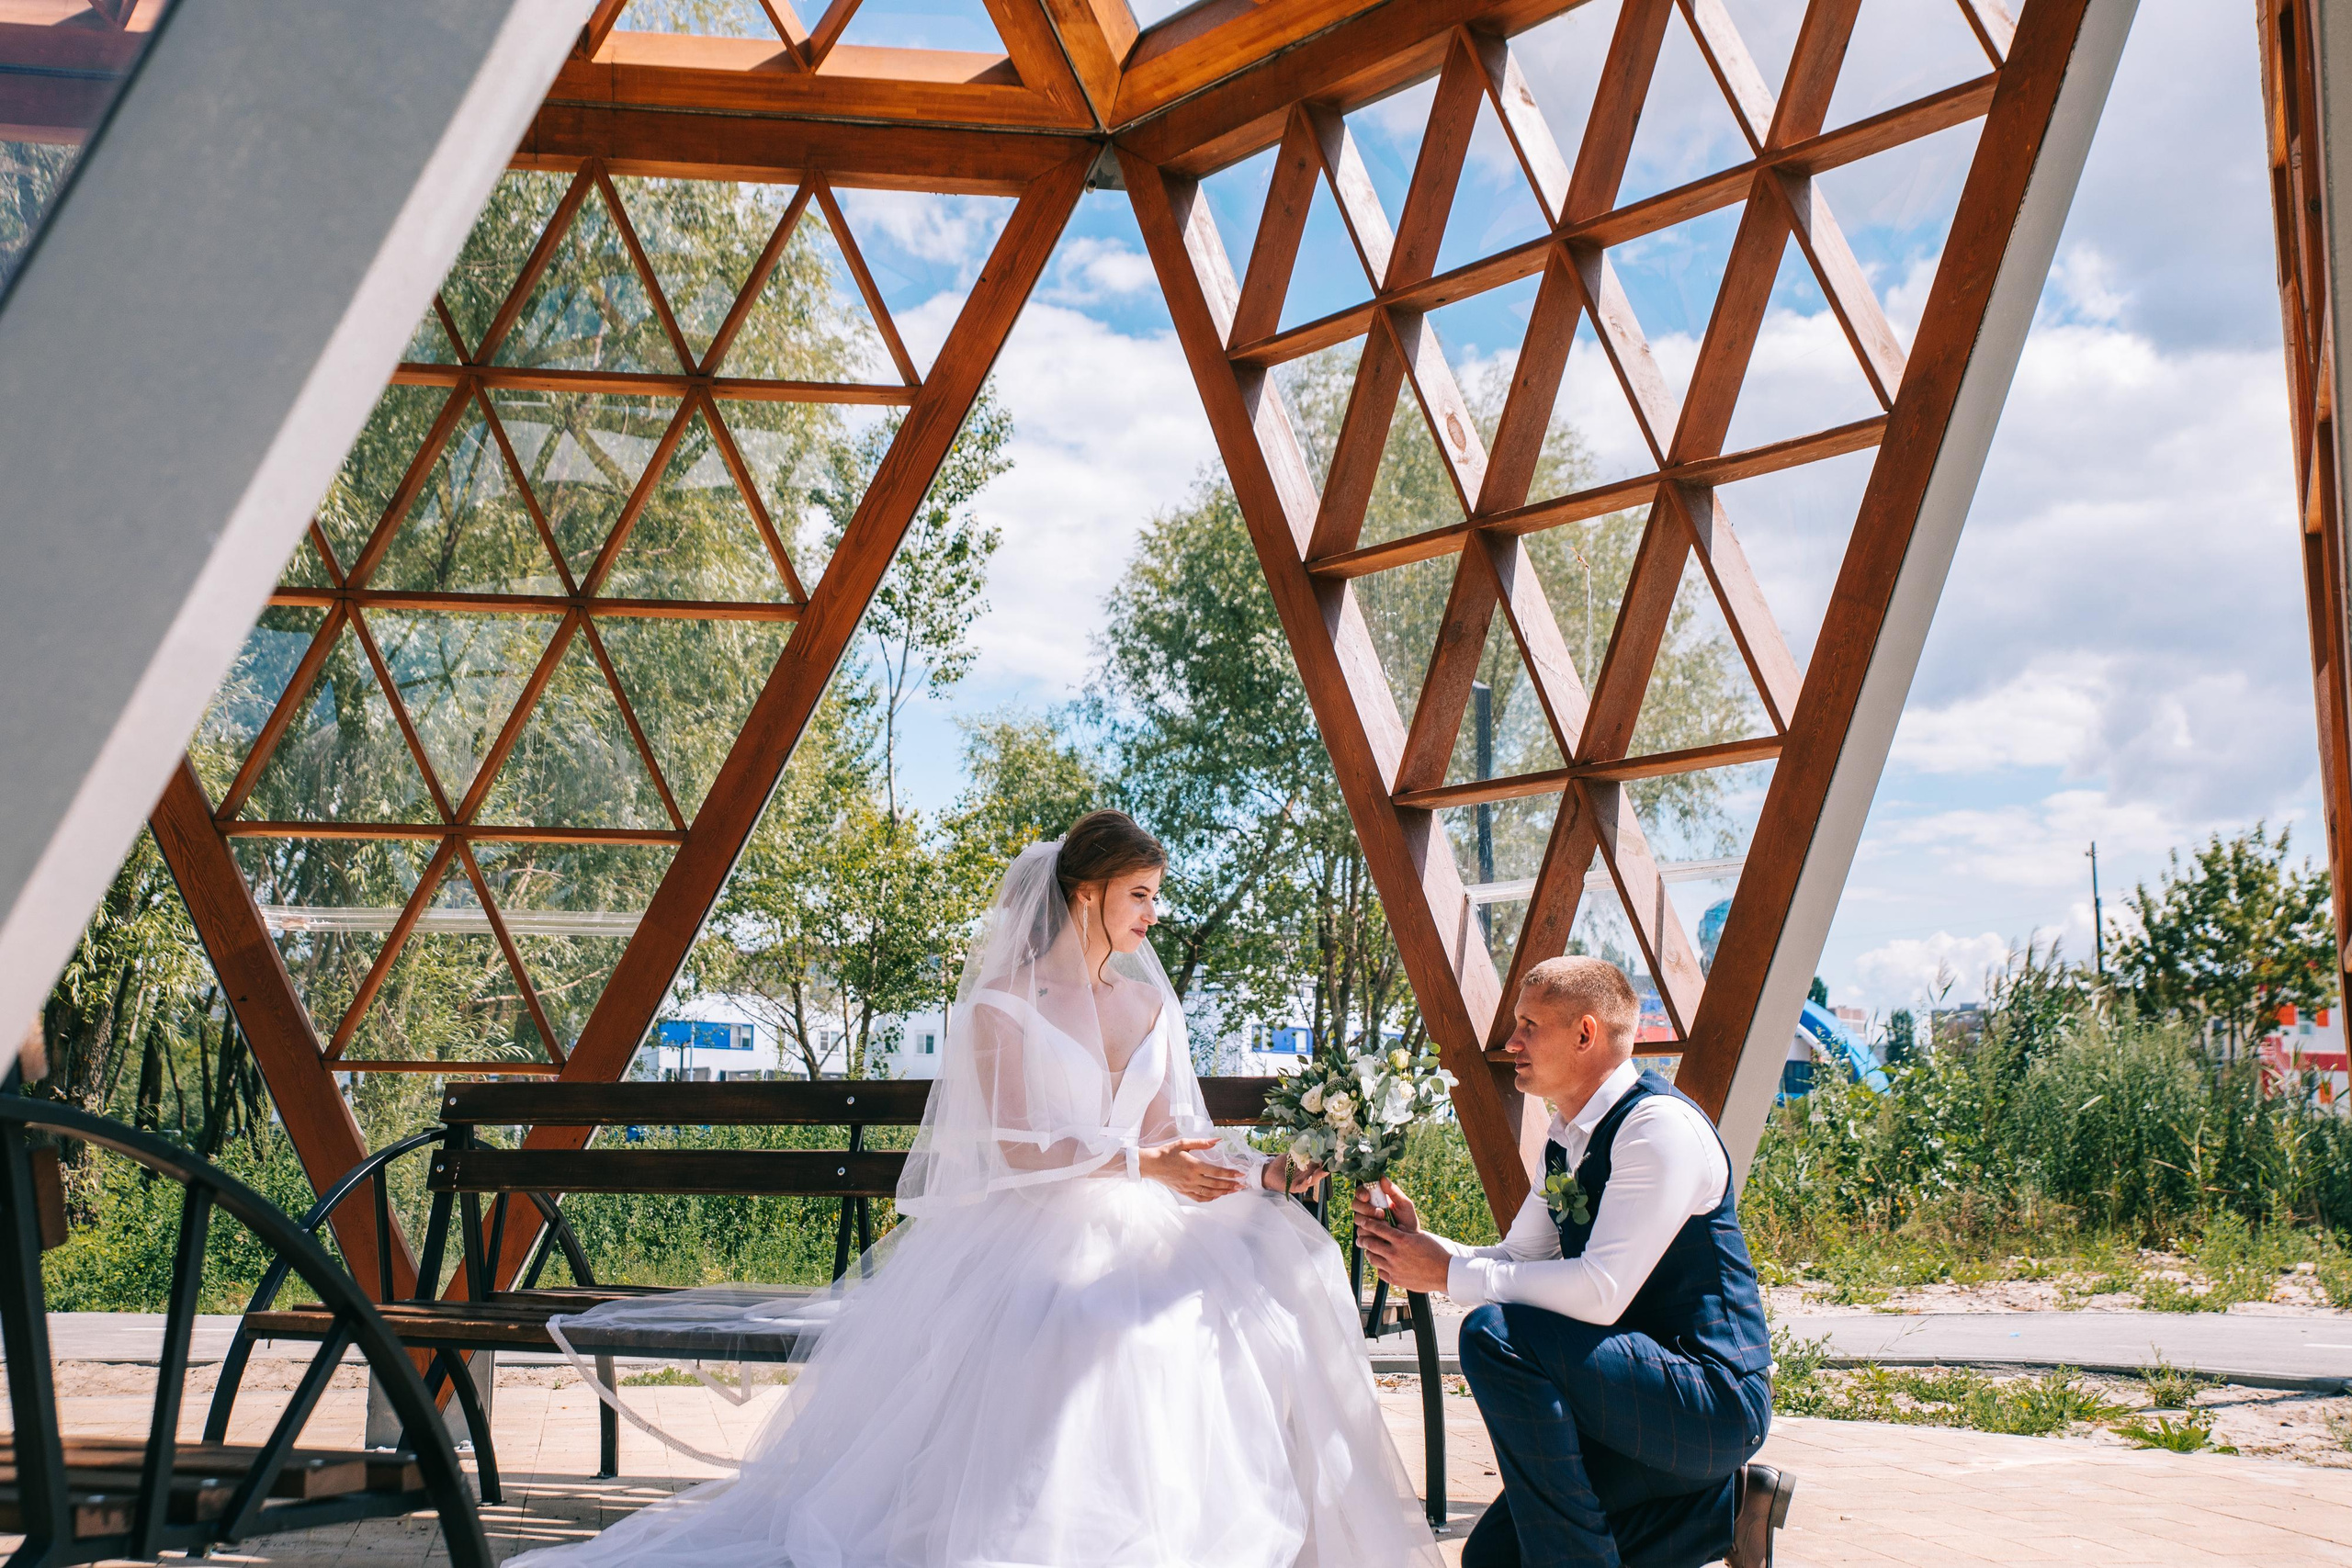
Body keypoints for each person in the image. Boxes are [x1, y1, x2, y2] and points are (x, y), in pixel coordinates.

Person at [512, 810, 1444, 1568]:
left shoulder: (1151, 1002)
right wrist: (1135, 1167)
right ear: (1087, 891)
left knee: (1276, 1277)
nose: (1152, 915)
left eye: (1154, 897)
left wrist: (1272, 1170)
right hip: (1041, 1223)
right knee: (1089, 1322)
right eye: (1139, 895)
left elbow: (1172, 1134)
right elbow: (1010, 1150)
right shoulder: (1002, 1005)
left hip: (1148, 1209)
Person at [1353, 956, 1794, 1568]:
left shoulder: (1656, 1129)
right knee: (1495, 1559)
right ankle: (1726, 1508)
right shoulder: (1567, 1136)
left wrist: (1449, 1275)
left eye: (1530, 1025)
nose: (1511, 1043)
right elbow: (1517, 1261)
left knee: (1496, 1335)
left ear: (1585, 1033)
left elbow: (1601, 1291)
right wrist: (1424, 1249)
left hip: (1712, 1402)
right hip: (1632, 1392)